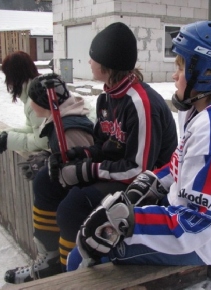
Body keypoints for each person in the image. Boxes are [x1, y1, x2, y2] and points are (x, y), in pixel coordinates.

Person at [68, 20, 211, 274]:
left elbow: (198, 223)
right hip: (197, 218)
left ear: (207, 73)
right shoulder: (198, 109)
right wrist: (154, 179)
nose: (174, 76)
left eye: (181, 68)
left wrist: (128, 223)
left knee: (86, 256)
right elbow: (184, 159)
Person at [4, 22, 178, 284]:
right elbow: (102, 146)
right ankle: (50, 260)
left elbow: (139, 168)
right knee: (46, 182)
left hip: (147, 187)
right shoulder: (106, 98)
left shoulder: (140, 103)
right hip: (118, 174)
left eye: (93, 57)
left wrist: (84, 171)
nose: (88, 61)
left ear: (107, 63)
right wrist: (74, 156)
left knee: (73, 207)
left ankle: (70, 277)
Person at [4, 73, 95, 284]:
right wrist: (49, 160)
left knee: (68, 211)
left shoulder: (68, 128)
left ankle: (66, 274)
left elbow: (81, 172)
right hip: (71, 198)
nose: (30, 104)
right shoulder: (59, 122)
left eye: (33, 99)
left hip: (80, 208)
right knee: (45, 183)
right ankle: (49, 261)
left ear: (42, 102)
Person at [0, 51, 48, 154]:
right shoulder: (34, 92)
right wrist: (7, 134)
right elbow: (32, 129)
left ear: (15, 76)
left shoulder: (36, 100)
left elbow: (43, 142)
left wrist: (9, 140)